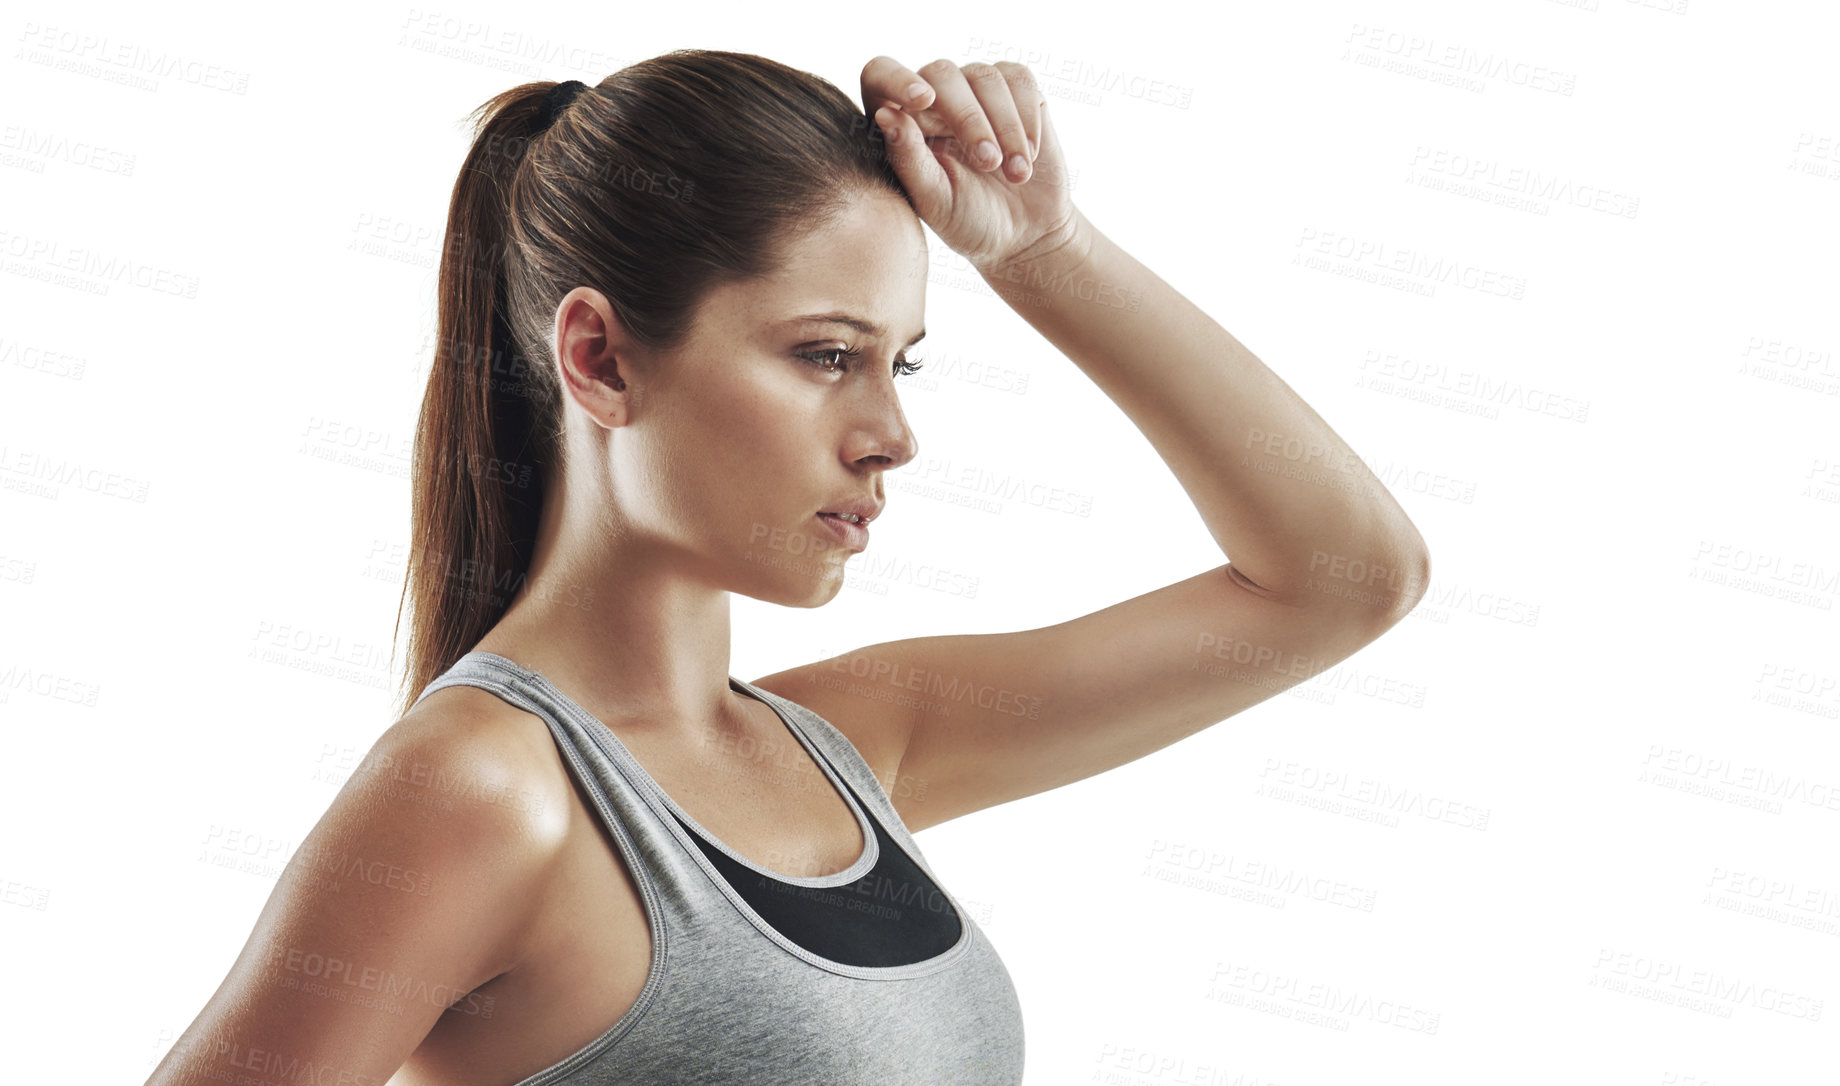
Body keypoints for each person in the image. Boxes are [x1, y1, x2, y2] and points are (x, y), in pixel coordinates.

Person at [148, 47, 1429, 1086]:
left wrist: (1041, 252)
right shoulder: (484, 790)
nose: (892, 436)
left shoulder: (854, 746)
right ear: (597, 358)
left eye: (899, 361)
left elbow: (1342, 579)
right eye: (824, 354)